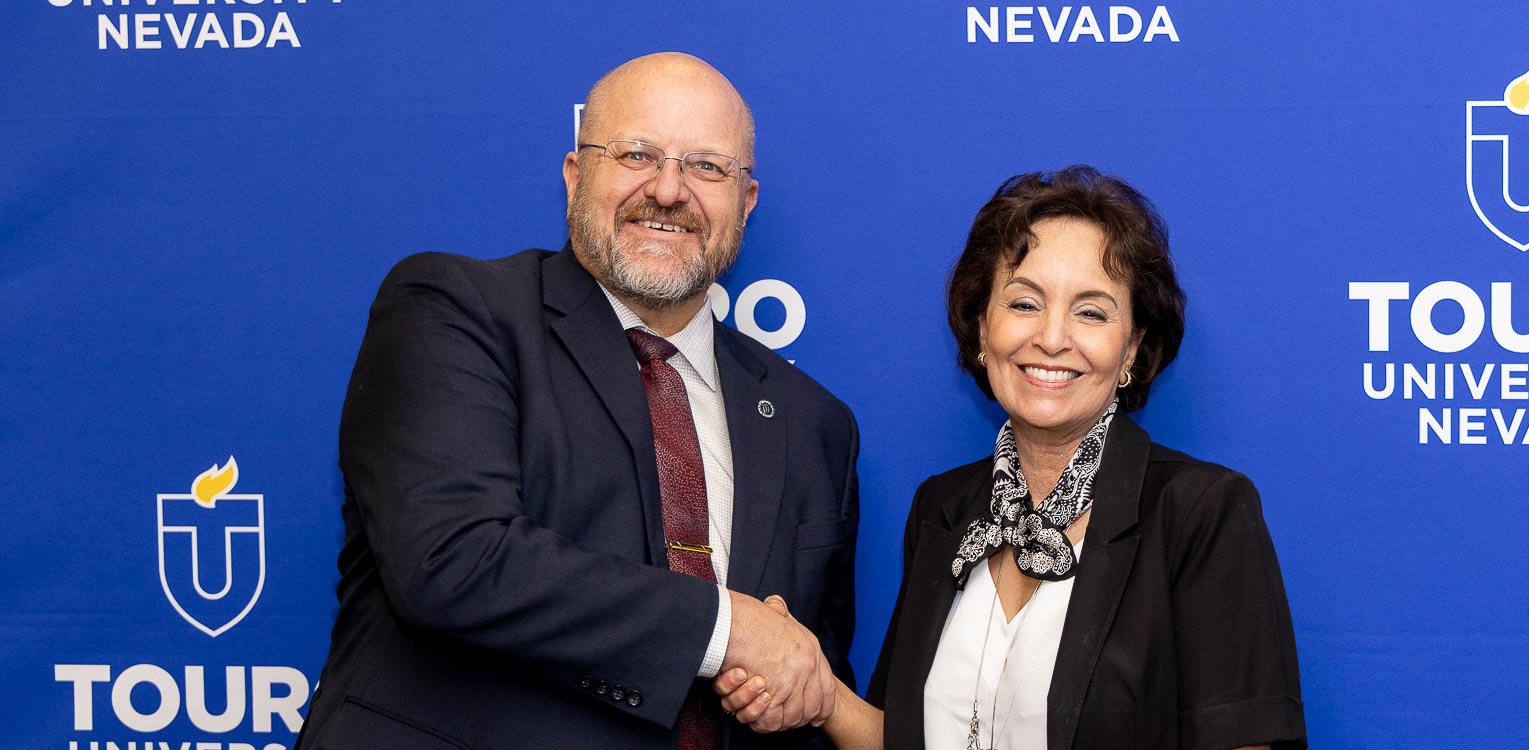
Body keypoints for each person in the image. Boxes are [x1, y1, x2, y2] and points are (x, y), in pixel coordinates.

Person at [298, 52, 856, 749]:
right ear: (574, 175)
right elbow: (450, 560)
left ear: (745, 202)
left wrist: (788, 684)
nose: (668, 189)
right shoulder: (456, 311)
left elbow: (807, 673)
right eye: (636, 153)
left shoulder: (814, 423)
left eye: (707, 167)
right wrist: (728, 628)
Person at [715, 166, 1306, 749]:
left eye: (1091, 312)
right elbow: (904, 740)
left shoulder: (1201, 513)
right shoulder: (942, 510)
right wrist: (822, 692)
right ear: (980, 326)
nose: (1051, 337)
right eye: (1024, 303)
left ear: (1132, 347)